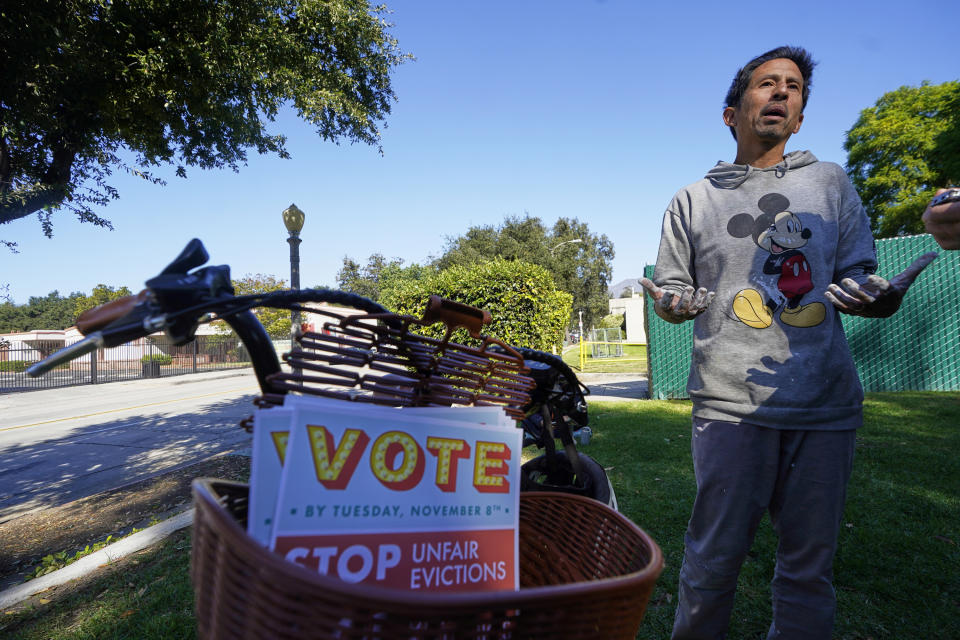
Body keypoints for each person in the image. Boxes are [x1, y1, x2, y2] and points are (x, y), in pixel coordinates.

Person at [639, 46, 937, 640]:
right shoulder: (693, 199)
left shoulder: (830, 184)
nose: (780, 92)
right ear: (732, 112)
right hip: (729, 406)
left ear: (799, 116)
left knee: (808, 571)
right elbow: (674, 287)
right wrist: (671, 302)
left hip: (824, 406)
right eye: (766, 83)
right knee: (711, 562)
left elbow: (858, 274)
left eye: (793, 87)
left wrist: (881, 296)